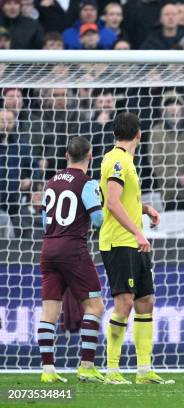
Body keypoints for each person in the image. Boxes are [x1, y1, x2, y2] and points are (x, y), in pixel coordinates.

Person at [99, 112, 172, 385]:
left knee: (146, 302)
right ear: (139, 134)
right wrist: (138, 231)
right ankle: (112, 370)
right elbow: (113, 203)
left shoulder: (124, 159)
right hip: (120, 241)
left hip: (132, 241)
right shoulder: (117, 160)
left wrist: (144, 208)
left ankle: (144, 371)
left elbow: (121, 200)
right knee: (125, 303)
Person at [37, 136, 105, 383]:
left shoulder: (51, 181)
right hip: (73, 249)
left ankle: (48, 371)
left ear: (66, 156)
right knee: (95, 307)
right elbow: (98, 220)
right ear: (91, 156)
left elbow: (44, 220)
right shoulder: (88, 183)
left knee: (49, 311)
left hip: (48, 248)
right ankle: (86, 365)